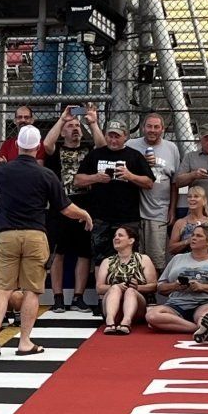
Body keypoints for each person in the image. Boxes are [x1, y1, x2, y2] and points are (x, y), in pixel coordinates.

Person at [0, 124, 91, 357]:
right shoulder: (46, 174)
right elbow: (66, 208)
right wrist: (85, 214)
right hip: (35, 235)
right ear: (37, 146)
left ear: (17, 145)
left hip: (7, 234)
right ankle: (24, 341)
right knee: (32, 291)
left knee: (3, 289)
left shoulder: (2, 170)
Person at [74, 119, 153, 290]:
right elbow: (78, 180)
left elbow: (149, 182)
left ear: (125, 137)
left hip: (127, 217)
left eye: (117, 136)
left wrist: (130, 176)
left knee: (129, 256)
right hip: (100, 216)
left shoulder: (134, 156)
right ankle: (102, 296)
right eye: (110, 136)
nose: (113, 140)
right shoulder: (96, 154)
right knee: (100, 257)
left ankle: (130, 292)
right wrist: (96, 177)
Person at [42, 108, 97, 310]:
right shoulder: (56, 150)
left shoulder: (88, 150)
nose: (75, 129)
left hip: (85, 204)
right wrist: (62, 119)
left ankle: (78, 297)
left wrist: (92, 123)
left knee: (84, 253)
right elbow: (46, 144)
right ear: (63, 132)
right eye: (70, 126)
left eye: (77, 126)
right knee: (59, 252)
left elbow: (102, 145)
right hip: (60, 205)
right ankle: (57, 297)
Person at [146, 221, 208, 342]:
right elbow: (160, 287)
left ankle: (203, 324)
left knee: (206, 314)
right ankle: (199, 328)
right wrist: (175, 286)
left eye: (199, 236)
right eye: (193, 235)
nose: (193, 238)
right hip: (177, 304)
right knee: (152, 315)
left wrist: (202, 287)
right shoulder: (177, 258)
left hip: (207, 302)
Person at [133, 111, 181, 270]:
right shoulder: (131, 145)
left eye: (156, 127)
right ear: (142, 128)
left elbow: (175, 183)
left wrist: (172, 209)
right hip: (133, 211)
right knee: (135, 257)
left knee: (156, 258)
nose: (152, 130)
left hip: (159, 211)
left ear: (163, 129)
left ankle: (152, 293)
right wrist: (142, 164)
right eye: (149, 126)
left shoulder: (171, 148)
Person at [95, 223, 155, 336]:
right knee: (115, 288)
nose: (116, 238)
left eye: (120, 235)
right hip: (110, 305)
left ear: (131, 240)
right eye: (115, 236)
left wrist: (137, 287)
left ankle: (126, 321)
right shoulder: (107, 261)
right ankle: (110, 321)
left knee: (130, 291)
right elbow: (99, 288)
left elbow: (153, 286)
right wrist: (117, 286)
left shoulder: (143, 259)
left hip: (137, 308)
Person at [168, 189, 208, 258]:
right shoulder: (180, 223)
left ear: (204, 200)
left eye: (196, 196)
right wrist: (187, 241)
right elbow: (171, 249)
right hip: (184, 262)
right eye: (189, 197)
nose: (192, 199)